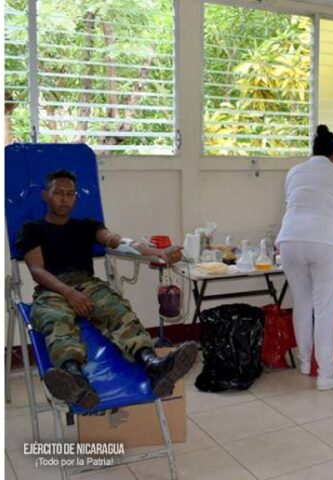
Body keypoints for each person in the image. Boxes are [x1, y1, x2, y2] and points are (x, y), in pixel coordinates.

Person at [16, 170, 199, 409]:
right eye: (58, 193)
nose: (65, 199)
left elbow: (120, 242)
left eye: (70, 194)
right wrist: (69, 293)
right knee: (56, 319)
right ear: (45, 195)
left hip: (89, 285)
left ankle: (153, 365)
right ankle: (74, 378)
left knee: (117, 309)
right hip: (52, 288)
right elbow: (37, 270)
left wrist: (159, 253)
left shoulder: (87, 226)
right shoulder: (32, 229)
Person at [275, 125, 333, 391]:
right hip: (326, 242)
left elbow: (295, 203)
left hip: (290, 240)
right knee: (324, 308)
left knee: (302, 303)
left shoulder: (295, 172)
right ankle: (327, 374)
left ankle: (305, 363)